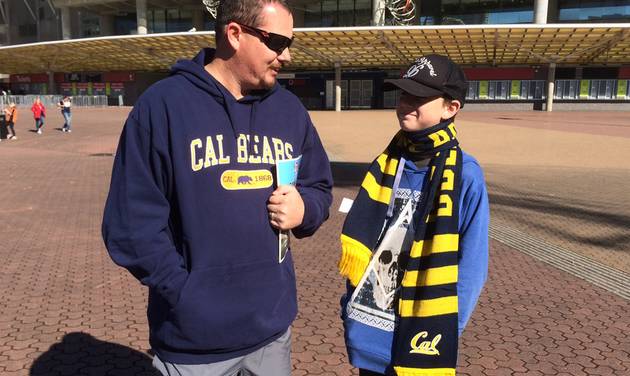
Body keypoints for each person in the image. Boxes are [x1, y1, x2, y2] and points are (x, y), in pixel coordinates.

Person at [101, 1, 333, 375]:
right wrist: (185, 294)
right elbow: (130, 226)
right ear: (235, 34)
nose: (286, 55)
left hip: (272, 332)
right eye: (276, 42)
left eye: (290, 43)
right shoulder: (162, 107)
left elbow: (319, 186)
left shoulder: (290, 111)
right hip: (193, 344)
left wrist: (305, 208)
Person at [338, 54, 489, 376]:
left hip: (425, 328)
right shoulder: (387, 165)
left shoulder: (466, 174)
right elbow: (371, 243)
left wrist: (448, 326)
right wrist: (350, 301)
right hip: (372, 322)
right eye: (404, 94)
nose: (406, 103)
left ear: (451, 108)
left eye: (420, 97)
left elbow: (472, 264)